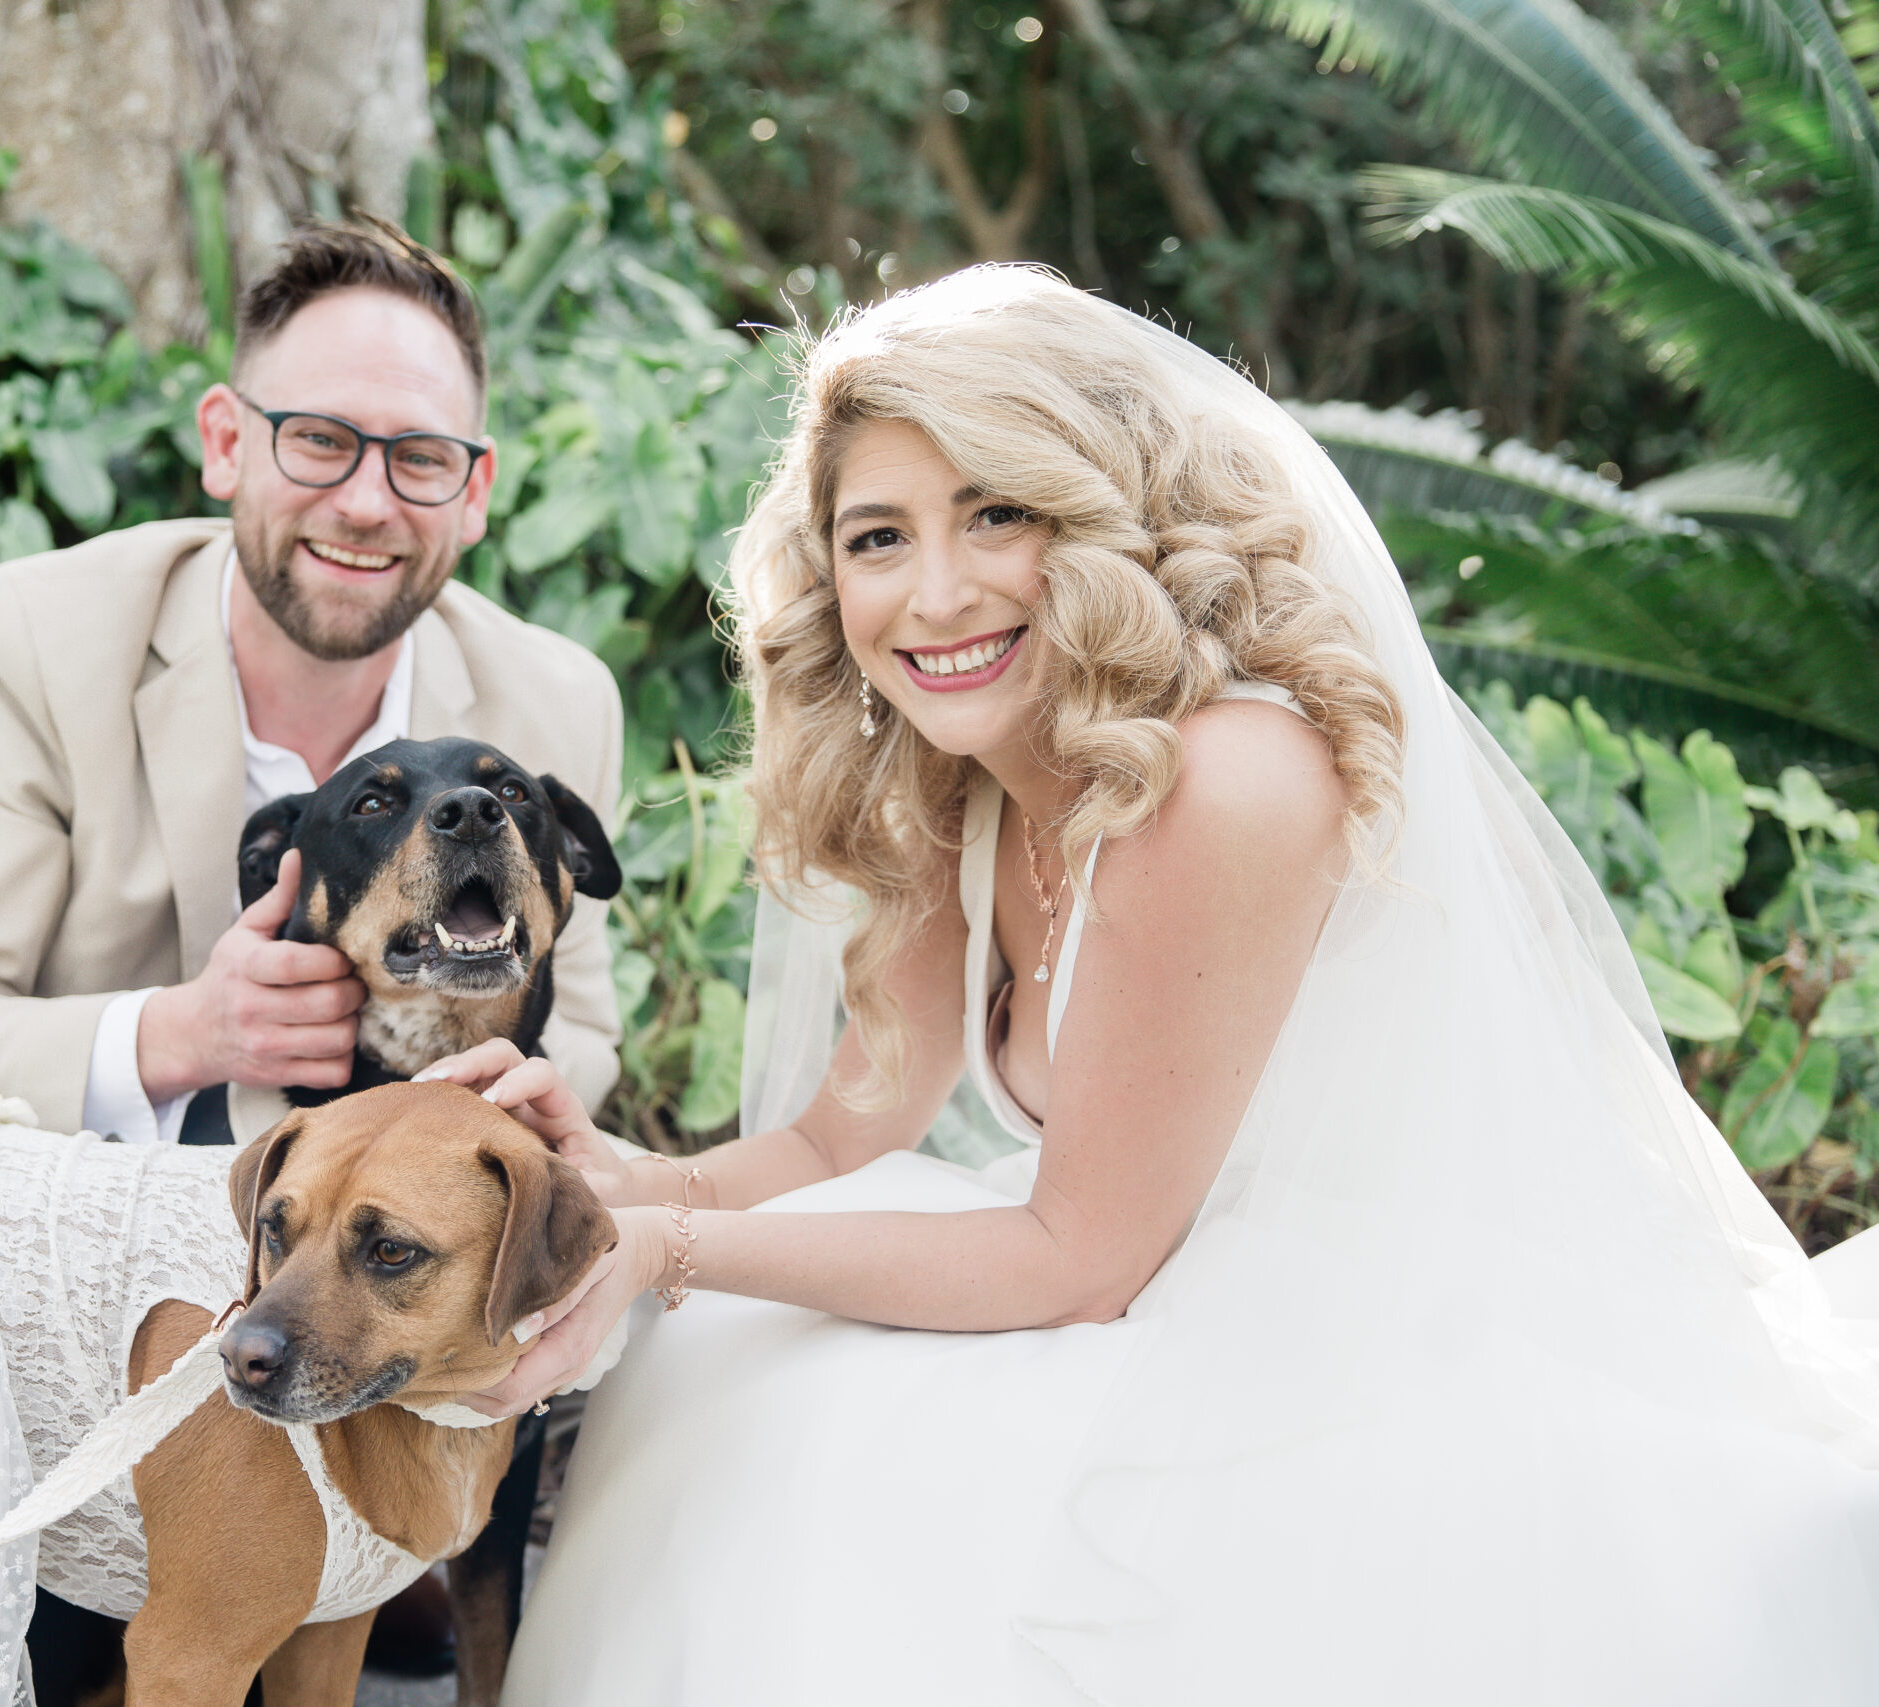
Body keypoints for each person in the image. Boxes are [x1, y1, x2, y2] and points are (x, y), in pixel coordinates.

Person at [416, 266, 1879, 1705]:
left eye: (999, 512)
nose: (935, 593)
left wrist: (665, 1254)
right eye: (878, 536)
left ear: (1112, 517)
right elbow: (834, 1144)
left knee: (800, 1407)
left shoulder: (1232, 774)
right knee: (748, 1377)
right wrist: (613, 1186)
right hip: (1142, 1288)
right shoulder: (955, 772)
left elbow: (1079, 1259)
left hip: (1378, 1346)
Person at [0, 217, 623, 1696]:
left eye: (419, 459)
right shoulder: (31, 636)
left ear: (476, 489)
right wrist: (182, 1033)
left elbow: (595, 1036)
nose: (367, 501)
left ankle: (392, 1575)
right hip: (54, 1344)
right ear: (224, 441)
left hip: (364, 1296)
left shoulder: (549, 700)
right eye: (319, 442)